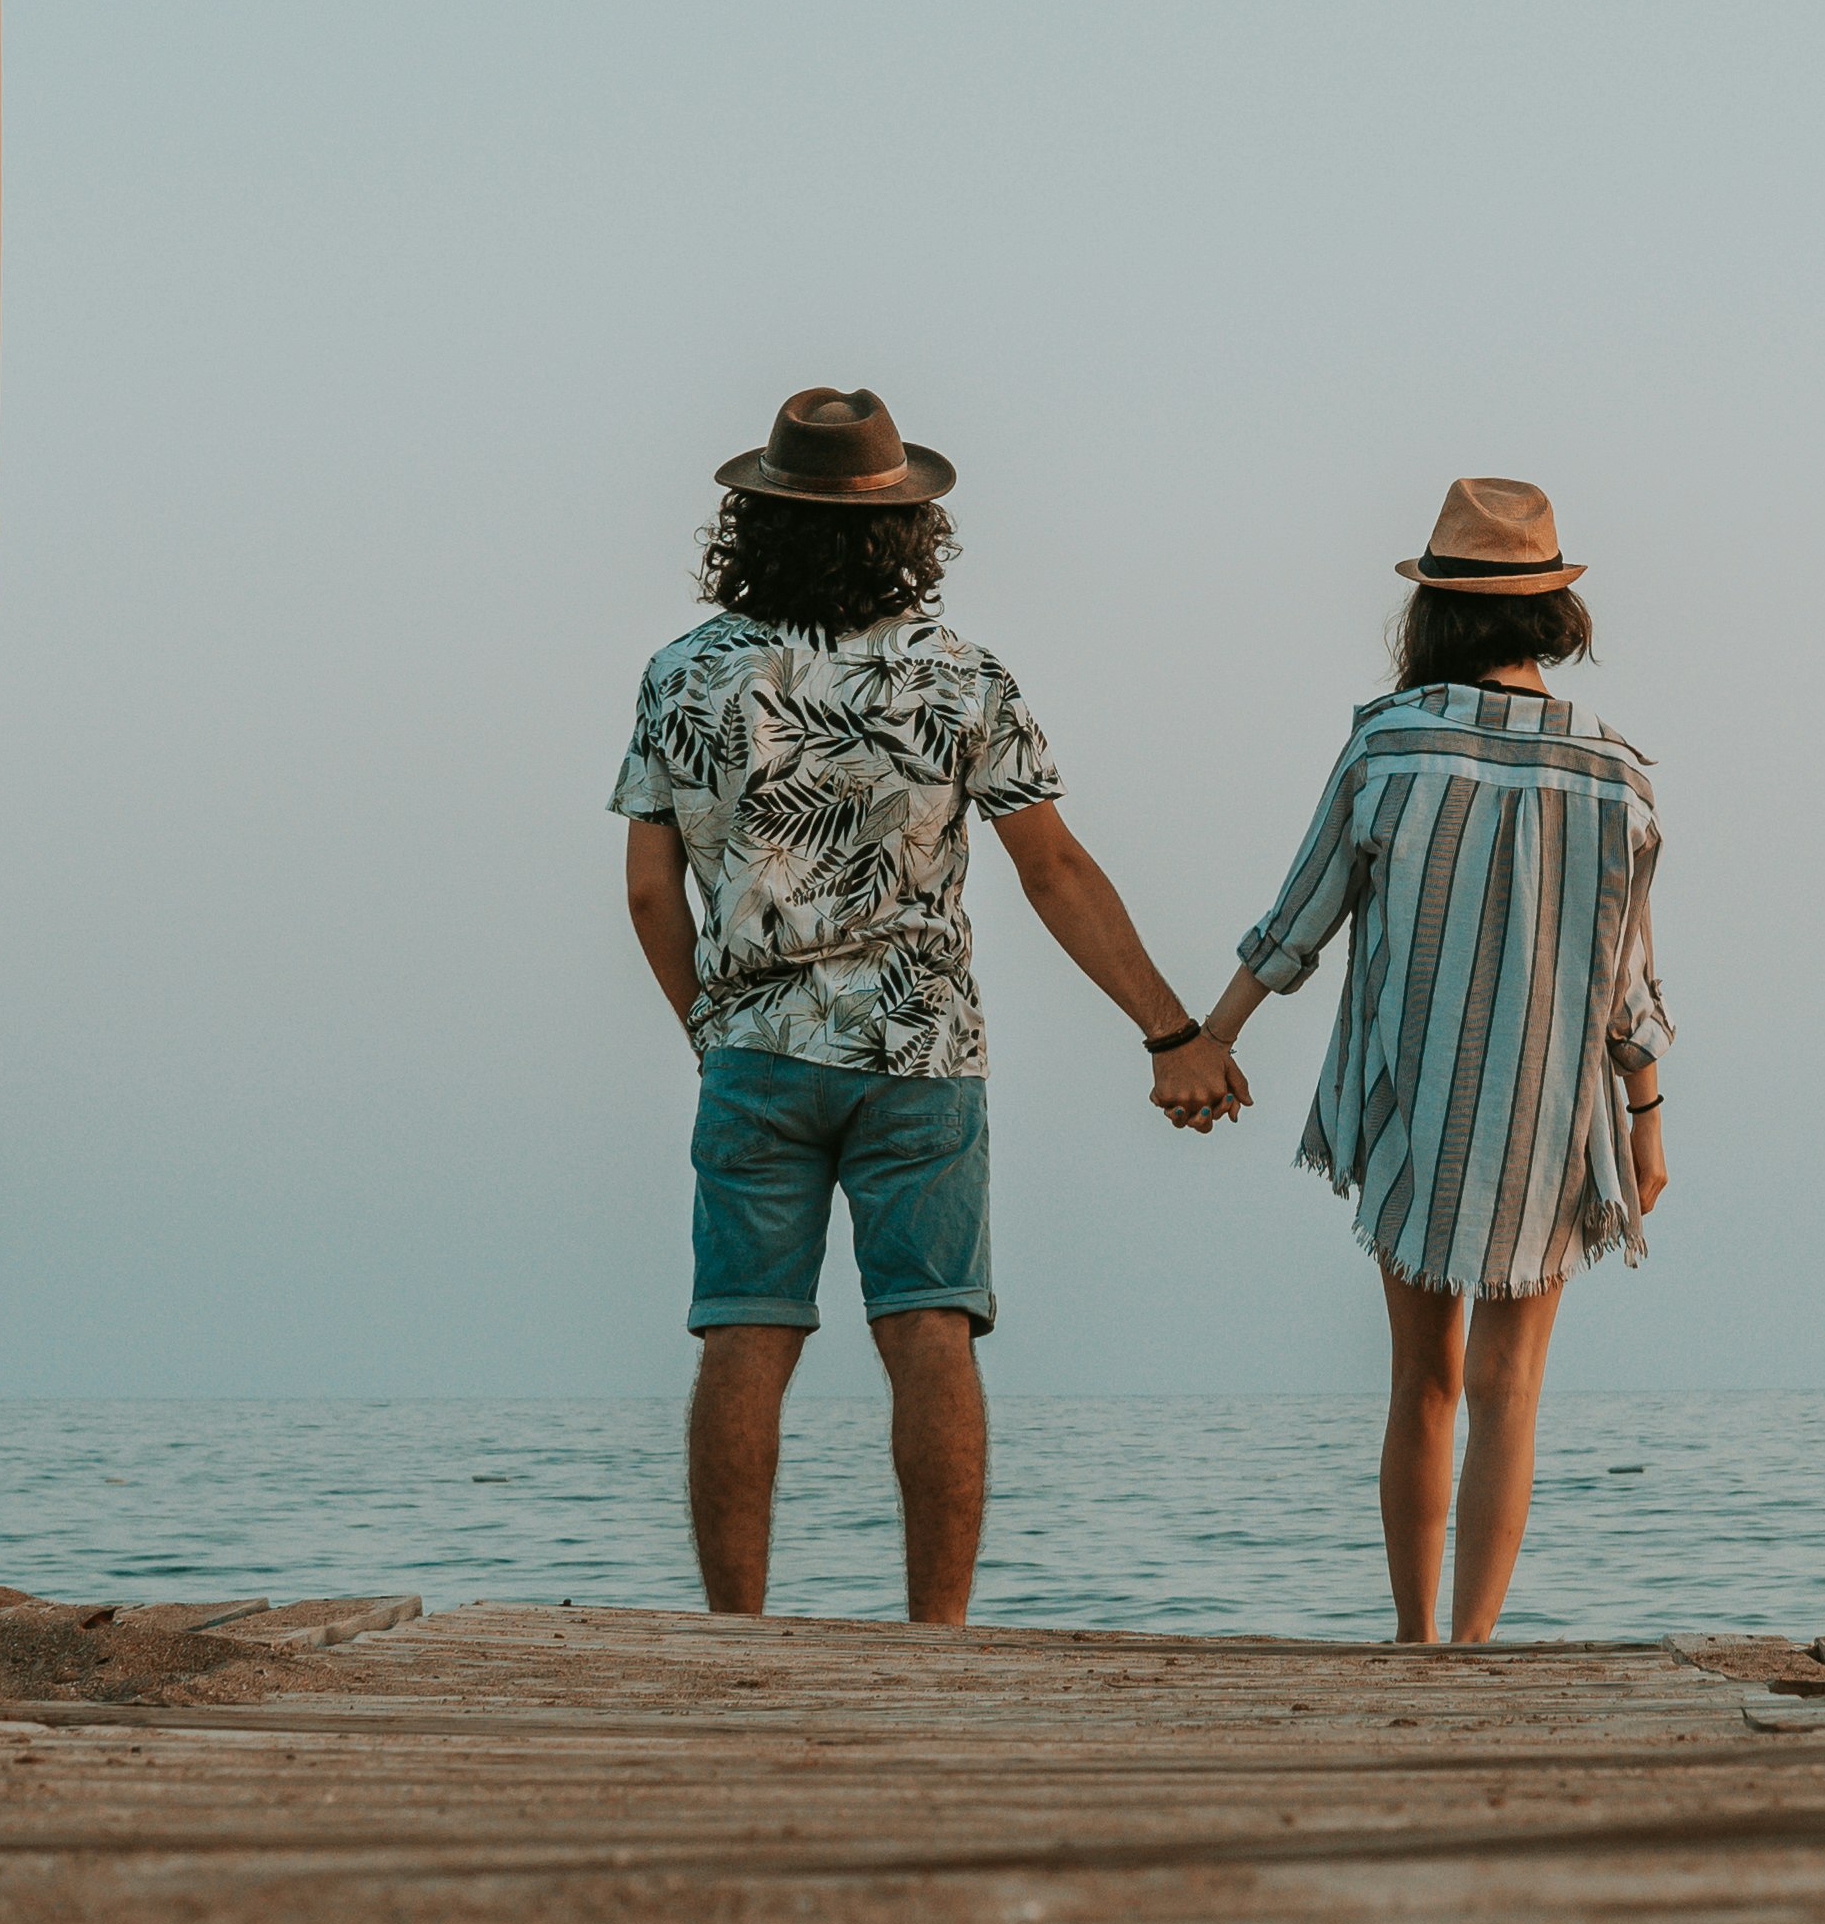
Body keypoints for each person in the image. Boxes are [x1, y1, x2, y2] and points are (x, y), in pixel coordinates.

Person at [616, 385, 1249, 1623]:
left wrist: (710, 1025)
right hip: (922, 1049)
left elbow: (649, 891)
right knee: (931, 1329)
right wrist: (1173, 1031)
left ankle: (735, 1631)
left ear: (754, 522)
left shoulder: (684, 674)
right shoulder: (963, 678)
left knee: (746, 1332)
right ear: (907, 531)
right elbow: (1053, 868)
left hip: (754, 1050)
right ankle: (938, 1634)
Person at [1192, 477, 1671, 1644]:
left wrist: (1212, 1036)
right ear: (1557, 612)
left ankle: (1413, 1644)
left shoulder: (1387, 743)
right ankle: (1474, 1646)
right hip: (1554, 1116)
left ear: (1435, 614)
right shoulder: (1617, 771)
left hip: (1420, 1104)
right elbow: (1627, 981)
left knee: (1426, 1382)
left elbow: (1300, 915)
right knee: (1512, 1394)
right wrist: (1646, 1120)